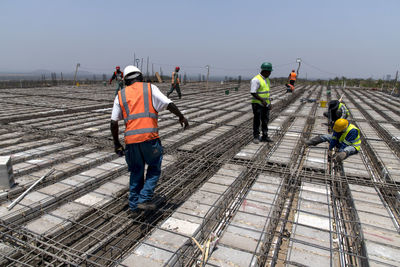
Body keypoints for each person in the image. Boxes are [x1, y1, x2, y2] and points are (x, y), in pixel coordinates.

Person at [110, 65, 189, 214]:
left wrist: (116, 144)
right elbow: (169, 104)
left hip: (131, 142)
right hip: (149, 139)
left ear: (126, 80)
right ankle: (144, 198)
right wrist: (181, 117)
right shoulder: (150, 88)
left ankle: (134, 207)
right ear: (140, 77)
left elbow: (113, 122)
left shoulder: (120, 95)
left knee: (136, 172)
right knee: (154, 168)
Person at [250, 62, 273, 144]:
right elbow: (253, 92)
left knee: (265, 120)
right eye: (269, 72)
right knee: (257, 120)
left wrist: (269, 103)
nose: (270, 73)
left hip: (265, 104)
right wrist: (262, 100)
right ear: (265, 71)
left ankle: (265, 136)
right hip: (257, 104)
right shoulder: (256, 79)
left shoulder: (267, 79)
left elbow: (267, 93)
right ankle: (256, 137)